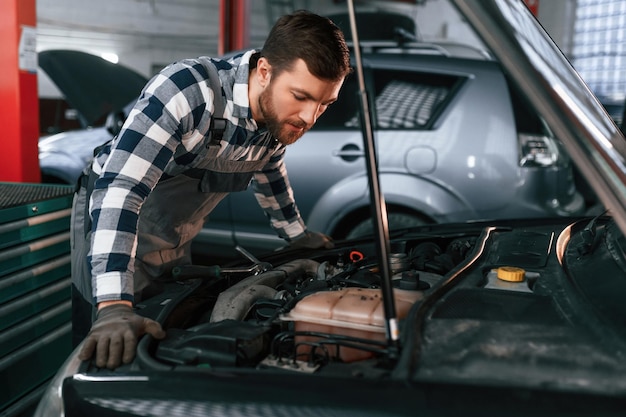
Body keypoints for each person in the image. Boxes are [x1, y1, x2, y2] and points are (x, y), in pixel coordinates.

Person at [70, 10, 352, 370]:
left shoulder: (276, 119)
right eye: (300, 96)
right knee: (110, 341)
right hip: (111, 217)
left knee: (163, 324)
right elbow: (121, 191)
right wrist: (112, 307)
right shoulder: (189, 93)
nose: (310, 117)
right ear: (264, 71)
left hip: (171, 231)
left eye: (324, 104)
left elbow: (270, 169)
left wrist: (296, 236)